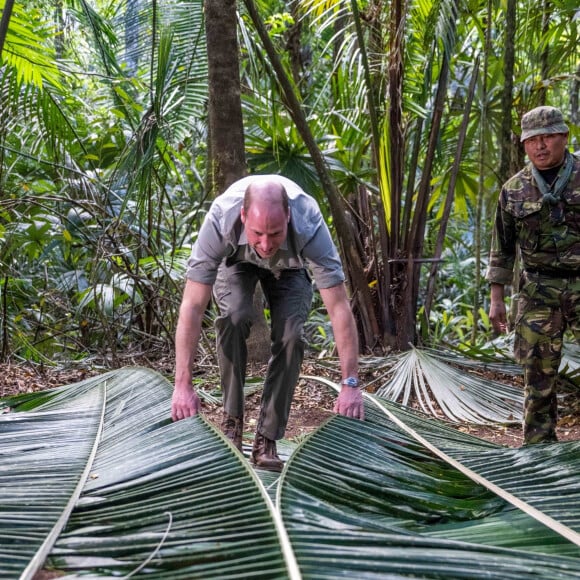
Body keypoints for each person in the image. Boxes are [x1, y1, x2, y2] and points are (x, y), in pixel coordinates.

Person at [171, 174, 364, 470]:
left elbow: (338, 307)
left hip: (291, 267)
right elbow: (193, 305)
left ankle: (267, 437)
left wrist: (350, 383)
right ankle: (232, 423)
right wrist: (182, 385)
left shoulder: (309, 222)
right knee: (234, 317)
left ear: (288, 216)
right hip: (237, 262)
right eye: (258, 232)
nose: (265, 244)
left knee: (292, 337)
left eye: (275, 233)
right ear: (243, 216)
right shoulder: (221, 219)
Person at [487, 105, 580, 445]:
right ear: (524, 145)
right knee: (538, 376)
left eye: (548, 138)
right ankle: (539, 454)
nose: (540, 146)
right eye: (532, 140)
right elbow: (503, 248)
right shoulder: (514, 190)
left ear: (565, 137)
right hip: (537, 288)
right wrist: (497, 299)